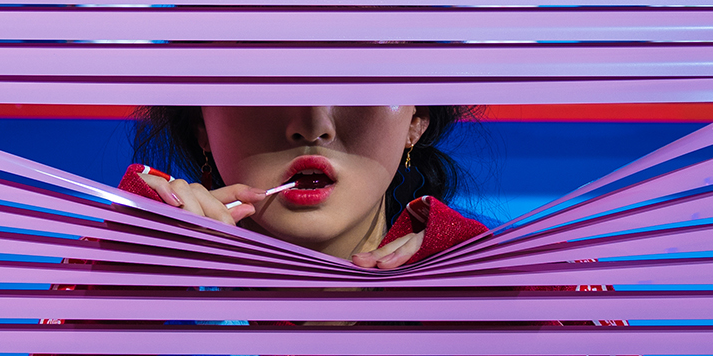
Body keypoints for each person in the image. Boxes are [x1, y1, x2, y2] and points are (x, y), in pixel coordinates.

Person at [123, 103, 482, 270]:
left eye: (359, 78)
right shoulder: (140, 281)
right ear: (201, 122)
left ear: (416, 119)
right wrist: (121, 284)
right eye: (266, 77)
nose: (313, 126)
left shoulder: (483, 288)